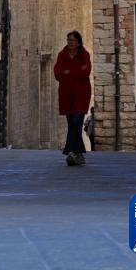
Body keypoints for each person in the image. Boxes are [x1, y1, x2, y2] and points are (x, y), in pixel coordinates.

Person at [53, 30, 92, 167]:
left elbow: (85, 72)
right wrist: (76, 72)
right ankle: (79, 154)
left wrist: (68, 72)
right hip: (66, 95)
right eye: (68, 40)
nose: (69, 42)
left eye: (72, 40)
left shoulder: (84, 55)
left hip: (81, 94)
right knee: (72, 124)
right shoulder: (62, 55)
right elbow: (57, 73)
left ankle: (70, 152)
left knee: (77, 121)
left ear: (78, 42)